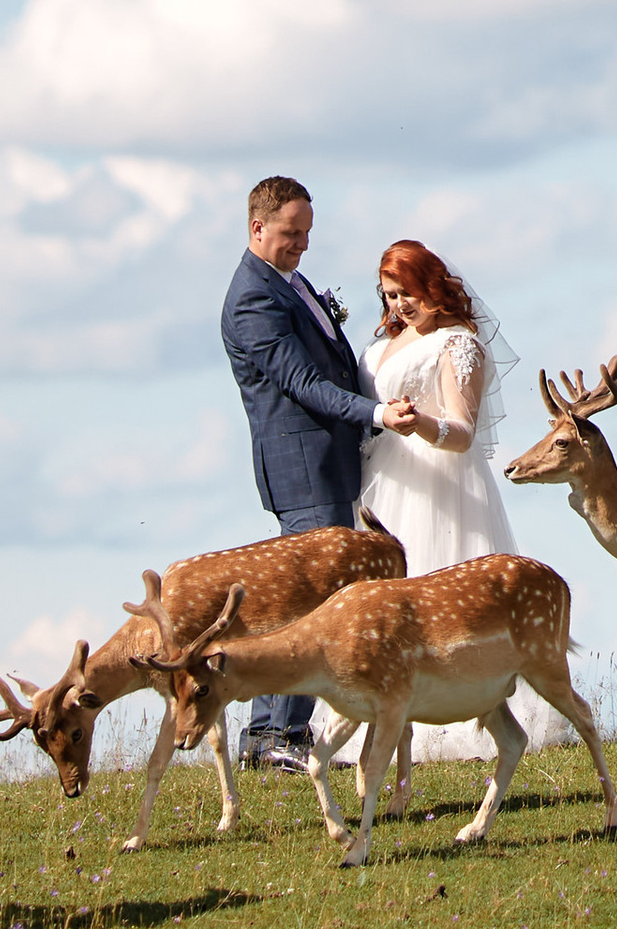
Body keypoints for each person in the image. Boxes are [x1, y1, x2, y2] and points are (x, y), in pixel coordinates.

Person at [221, 174, 419, 772]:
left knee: (298, 604)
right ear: (258, 227)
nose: (302, 245)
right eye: (291, 234)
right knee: (310, 607)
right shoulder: (253, 299)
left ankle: (269, 734)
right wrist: (379, 413)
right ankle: (278, 738)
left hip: (329, 464)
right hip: (302, 468)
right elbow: (305, 386)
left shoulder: (289, 281)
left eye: (307, 233)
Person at [357, 239, 566, 758]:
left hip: (438, 484)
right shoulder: (382, 346)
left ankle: (449, 725)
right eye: (389, 295)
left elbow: (463, 432)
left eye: (407, 292)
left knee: (440, 594)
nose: (399, 305)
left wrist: (417, 422)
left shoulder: (456, 343)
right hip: (382, 481)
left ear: (431, 284)